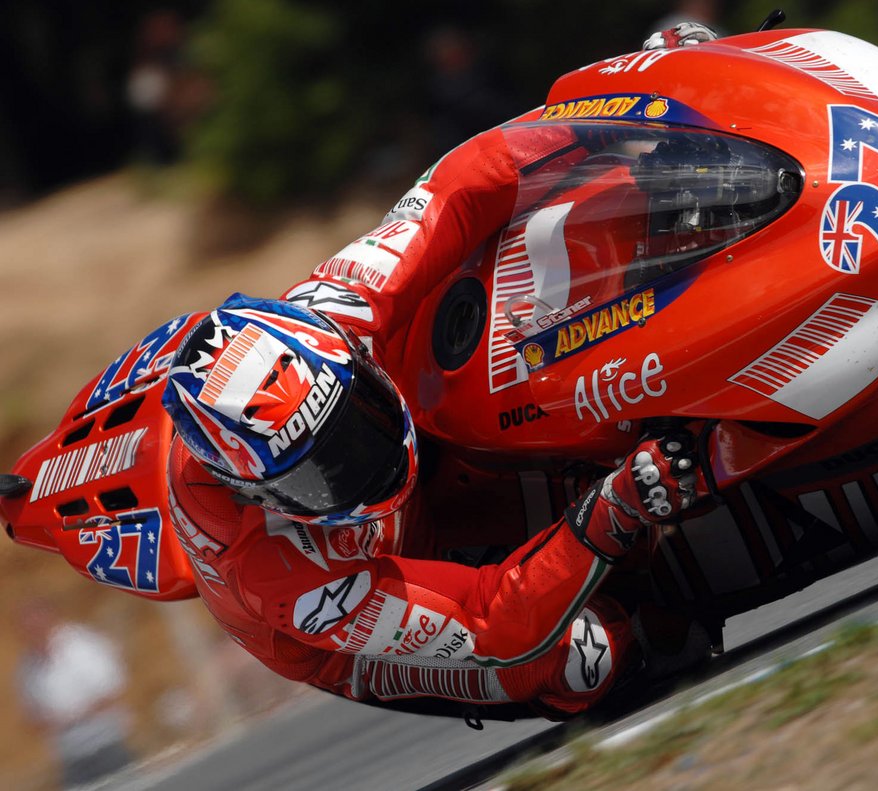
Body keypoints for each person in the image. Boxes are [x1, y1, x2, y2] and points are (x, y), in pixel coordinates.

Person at [160, 27, 714, 720]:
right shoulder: (276, 572)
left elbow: (462, 182)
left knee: (507, 258)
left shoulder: (329, 313)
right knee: (584, 654)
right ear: (262, 494)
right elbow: (493, 623)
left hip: (430, 459)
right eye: (323, 470)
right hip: (366, 618)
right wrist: (613, 511)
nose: (366, 460)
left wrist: (635, 108)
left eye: (355, 416)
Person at [15, 601, 134, 789]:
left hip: (108, 743)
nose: (32, 631)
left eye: (36, 623)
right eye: (27, 627)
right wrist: (50, 722)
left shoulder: (83, 646)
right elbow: (32, 718)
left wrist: (75, 716)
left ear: (50, 618)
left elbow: (112, 691)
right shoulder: (28, 669)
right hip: (72, 757)